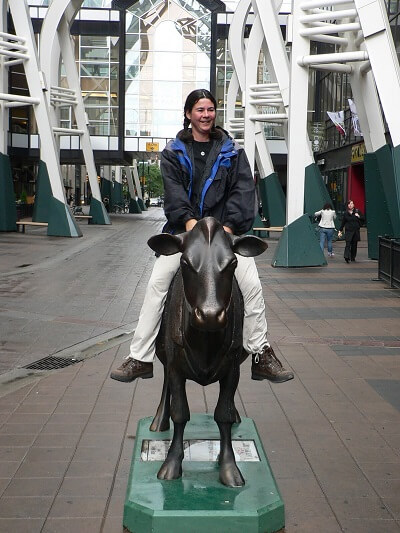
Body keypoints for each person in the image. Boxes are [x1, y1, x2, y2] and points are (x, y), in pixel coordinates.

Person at [110, 89, 293, 384]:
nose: (206, 115)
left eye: (210, 109)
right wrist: (195, 231)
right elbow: (174, 197)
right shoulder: (172, 154)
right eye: (200, 110)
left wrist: (225, 232)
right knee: (157, 284)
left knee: (252, 285)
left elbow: (243, 193)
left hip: (225, 237)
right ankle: (140, 357)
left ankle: (261, 354)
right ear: (188, 114)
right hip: (186, 235)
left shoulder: (233, 153)